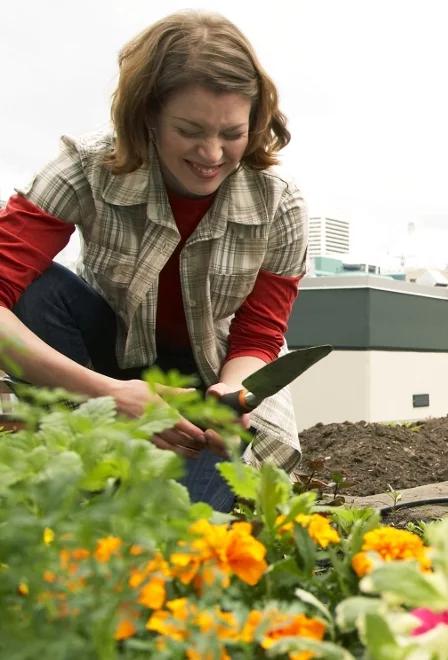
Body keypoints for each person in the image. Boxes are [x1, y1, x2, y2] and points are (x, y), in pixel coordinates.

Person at [0, 11, 308, 513]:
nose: (212, 153)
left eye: (232, 132)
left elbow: (258, 336)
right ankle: (88, 441)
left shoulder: (280, 204)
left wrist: (231, 395)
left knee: (173, 527)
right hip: (105, 363)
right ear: (147, 116)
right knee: (37, 289)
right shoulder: (84, 169)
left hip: (206, 384)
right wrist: (110, 395)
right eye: (189, 131)